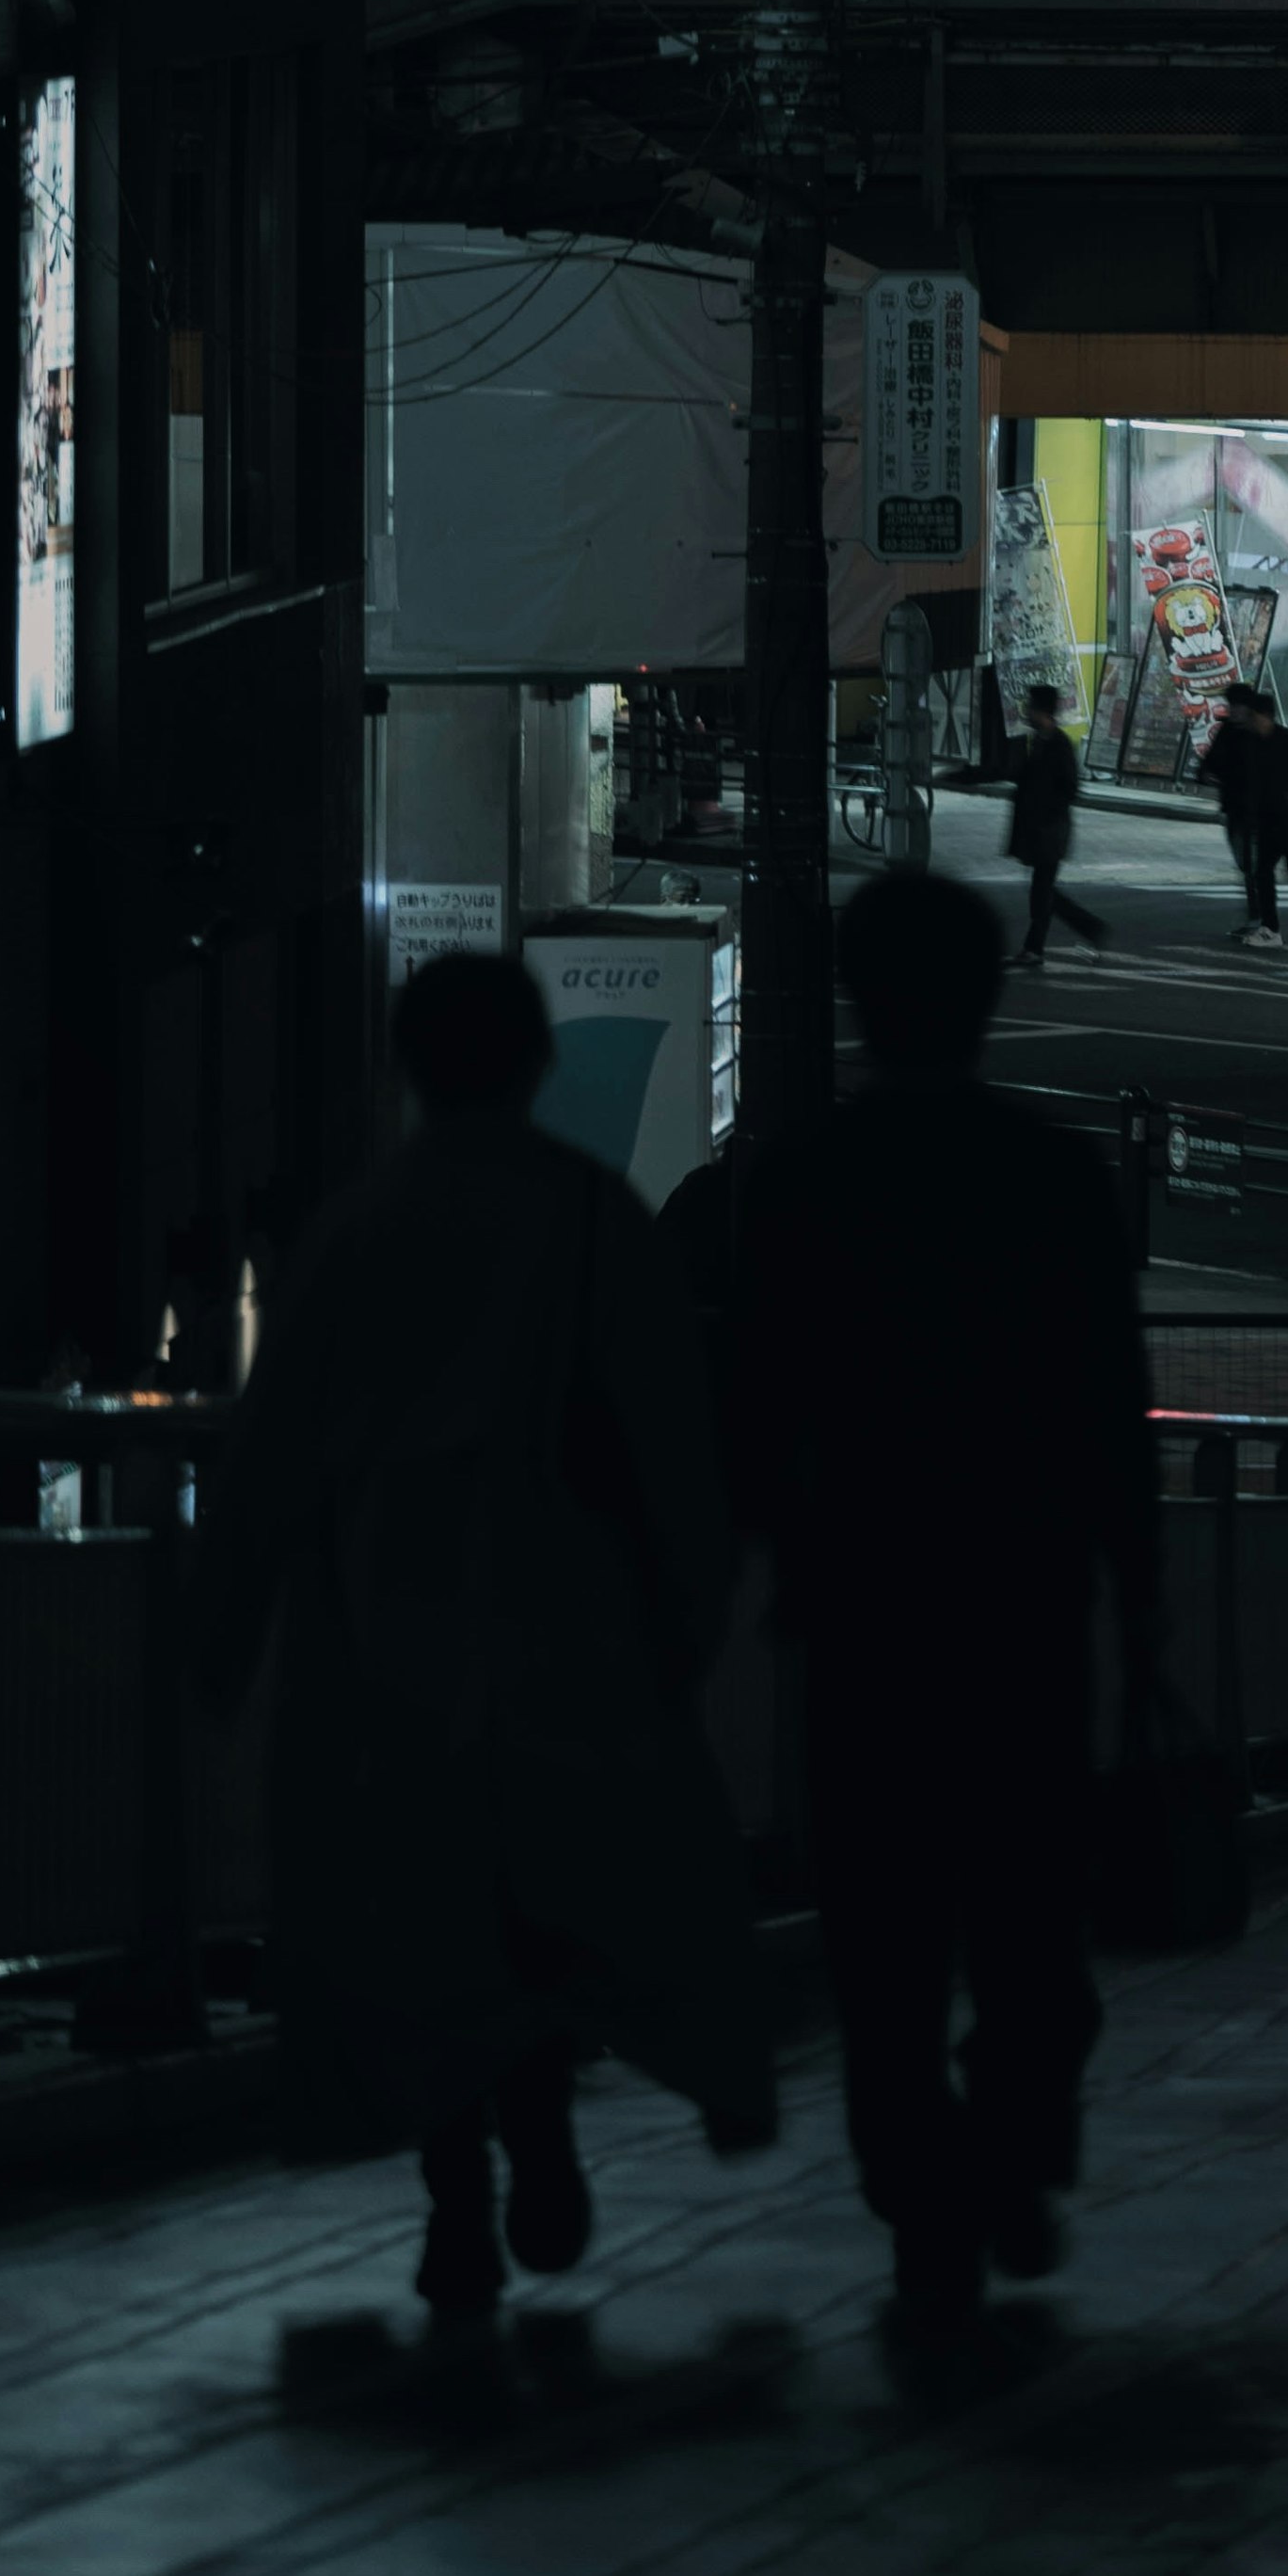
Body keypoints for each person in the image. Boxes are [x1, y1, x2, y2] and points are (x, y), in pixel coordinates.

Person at [194, 952, 772, 2323]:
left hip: (385, 1646)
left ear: (408, 1065)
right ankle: (542, 2134)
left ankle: (458, 2195)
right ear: (532, 1064)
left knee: (427, 1927)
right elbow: (672, 1450)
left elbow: (270, 1462)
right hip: (567, 1640)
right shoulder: (591, 1222)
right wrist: (687, 1617)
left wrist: (224, 1641)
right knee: (546, 1911)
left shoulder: (356, 1234)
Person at [731, 867, 1161, 2346]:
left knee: (885, 1935)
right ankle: (1016, 2148)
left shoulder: (800, 1188)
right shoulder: (1049, 1181)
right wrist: (1148, 1629)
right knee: (1033, 1922)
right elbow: (1115, 1420)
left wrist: (711, 1594)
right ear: (987, 1001)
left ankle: (922, 2199)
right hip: (1025, 1609)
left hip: (860, 1617)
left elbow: (748, 1420)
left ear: (858, 999)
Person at [1210, 681, 1288, 946]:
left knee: (1286, 868)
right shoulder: (1249, 741)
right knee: (1264, 870)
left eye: (1253, 717)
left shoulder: (1283, 739)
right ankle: (1270, 927)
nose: (1250, 721)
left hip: (1286, 816)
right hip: (1263, 815)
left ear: (1265, 716)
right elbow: (1230, 770)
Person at [1004, 680, 1107, 969]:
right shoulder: (1037, 741)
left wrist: (1044, 811)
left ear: (1042, 711)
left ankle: (1038, 947)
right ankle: (1076, 933)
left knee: (1042, 892)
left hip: (1049, 832)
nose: (1026, 712)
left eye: (1031, 707)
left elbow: (1070, 789)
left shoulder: (1059, 744)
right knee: (1044, 892)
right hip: (1039, 830)